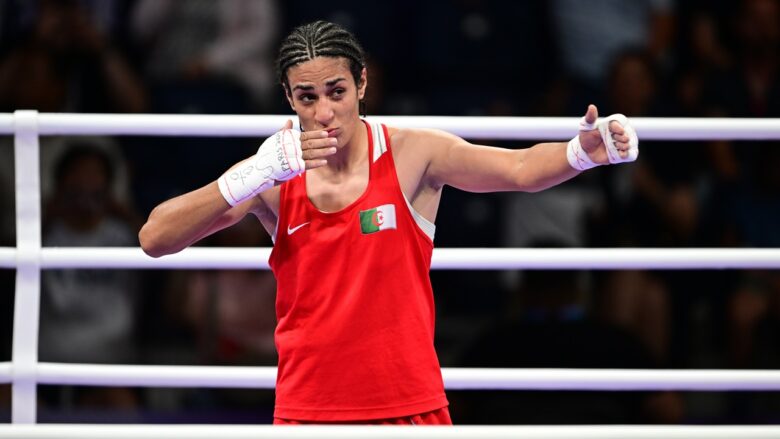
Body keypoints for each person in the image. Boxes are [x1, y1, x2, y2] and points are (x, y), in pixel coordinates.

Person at [138, 20, 639, 425]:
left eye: (336, 91)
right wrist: (251, 174)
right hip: (308, 410)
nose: (324, 112)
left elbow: (519, 169)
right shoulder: (273, 175)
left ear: (362, 84)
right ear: (289, 99)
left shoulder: (413, 154)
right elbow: (155, 238)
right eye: (307, 97)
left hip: (407, 407)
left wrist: (580, 153)